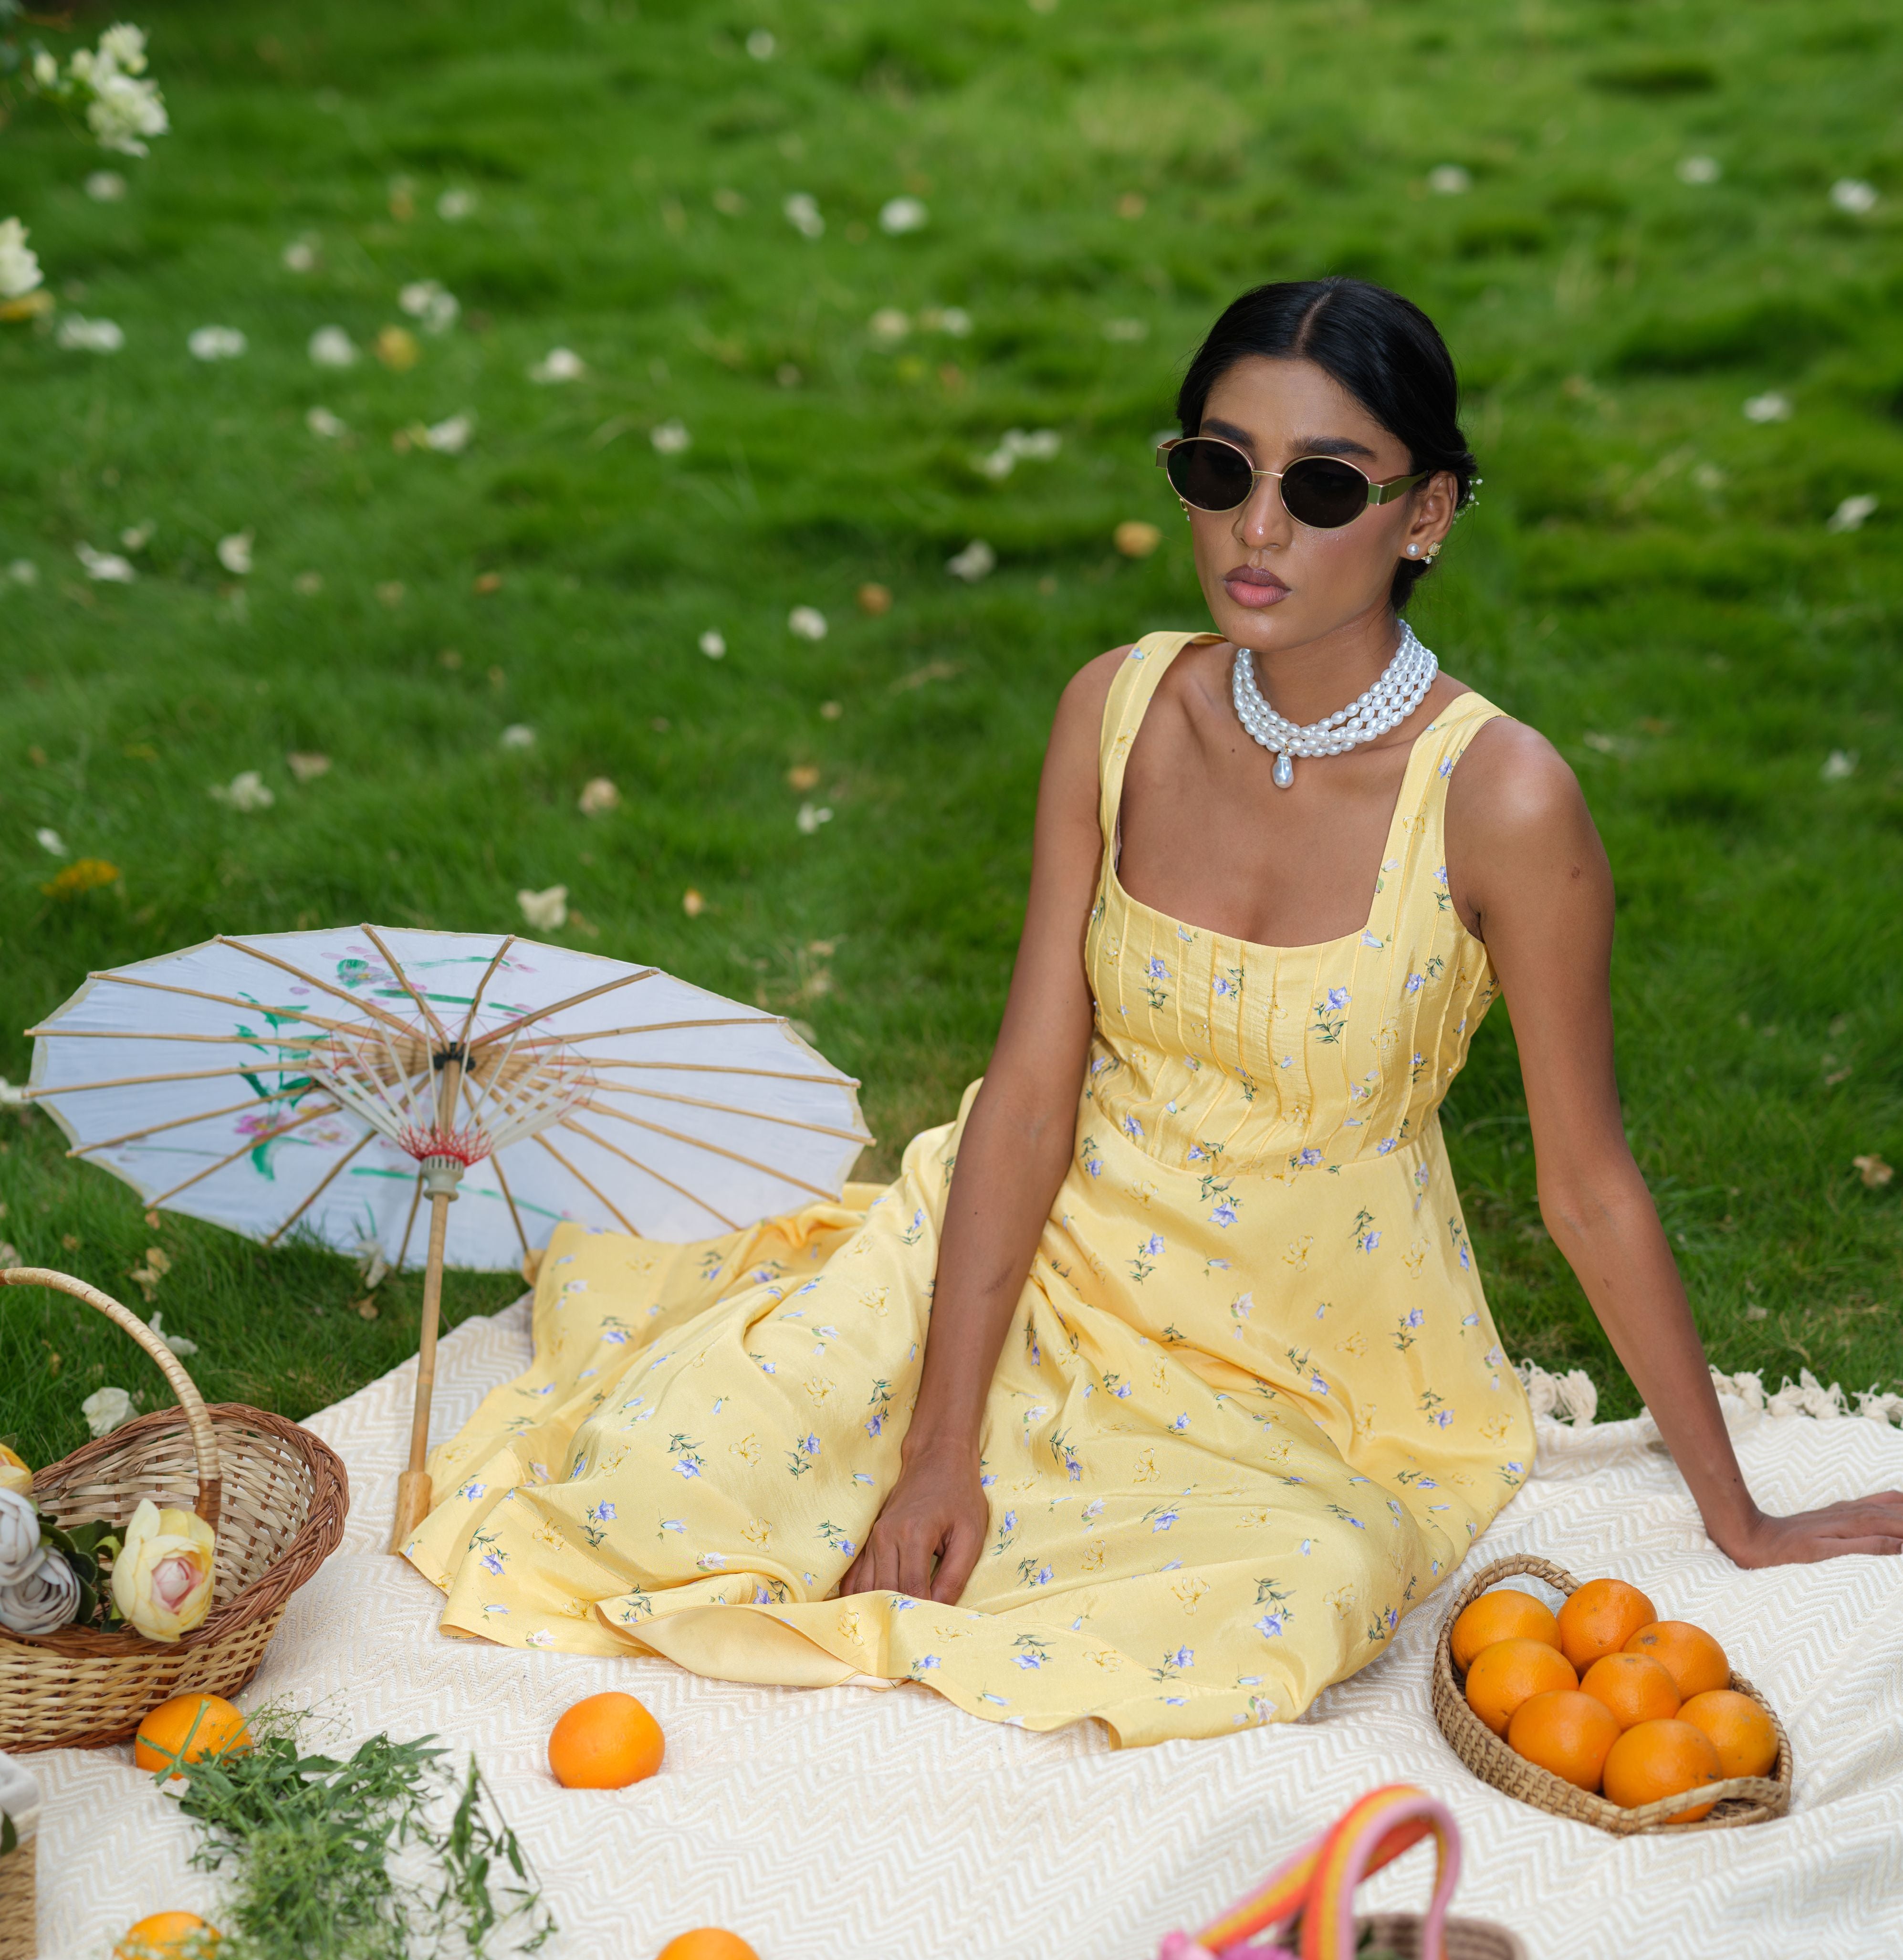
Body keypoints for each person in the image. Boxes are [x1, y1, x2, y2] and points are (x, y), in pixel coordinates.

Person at [408, 276, 1903, 1743]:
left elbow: (1585, 1185)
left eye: (1325, 486)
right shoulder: (1116, 711)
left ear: (1427, 514)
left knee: (1283, 1604)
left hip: (1310, 1361)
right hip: (1036, 1248)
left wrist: (1739, 1516)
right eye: (1218, 470)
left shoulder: (1501, 799)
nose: (1257, 527)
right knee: (670, 1478)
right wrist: (938, 1448)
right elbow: (1029, 1089)